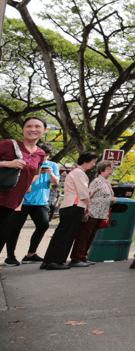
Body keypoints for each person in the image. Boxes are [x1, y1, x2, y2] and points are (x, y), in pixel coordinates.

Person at [0, 117, 48, 278]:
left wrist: (27, 183)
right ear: (23, 130)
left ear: (44, 130)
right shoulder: (8, 144)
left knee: (2, 233)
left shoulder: (40, 153)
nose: (32, 129)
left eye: (37, 126)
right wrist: (6, 164)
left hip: (13, 200)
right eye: (28, 126)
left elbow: (35, 174)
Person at [3, 141, 60, 266]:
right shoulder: (28, 161)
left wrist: (49, 173)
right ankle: (10, 257)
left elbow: (56, 182)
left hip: (41, 201)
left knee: (43, 225)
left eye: (46, 156)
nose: (43, 158)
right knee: (14, 228)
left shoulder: (53, 165)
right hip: (23, 199)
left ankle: (31, 254)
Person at [40, 151, 98, 270]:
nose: (94, 165)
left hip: (68, 206)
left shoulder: (74, 172)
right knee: (67, 235)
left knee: (60, 234)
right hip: (74, 206)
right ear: (85, 161)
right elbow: (82, 193)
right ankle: (56, 262)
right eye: (93, 162)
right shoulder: (79, 173)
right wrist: (88, 204)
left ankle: (48, 261)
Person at [69, 161, 116, 266]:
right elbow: (89, 194)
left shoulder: (106, 182)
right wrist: (87, 207)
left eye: (112, 169)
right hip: (93, 212)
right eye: (109, 169)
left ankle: (83, 256)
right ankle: (77, 258)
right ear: (101, 170)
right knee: (84, 234)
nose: (111, 171)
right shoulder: (97, 181)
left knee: (91, 235)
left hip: (101, 213)